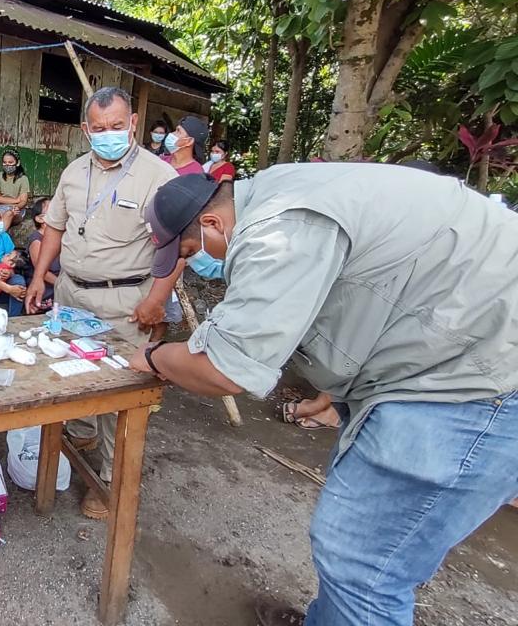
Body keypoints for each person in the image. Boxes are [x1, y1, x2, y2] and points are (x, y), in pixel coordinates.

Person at [137, 166, 518, 626]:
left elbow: (224, 369)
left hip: (472, 384)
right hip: (449, 360)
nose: (198, 261)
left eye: (192, 251)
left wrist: (154, 357)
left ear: (213, 222)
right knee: (352, 554)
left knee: (362, 567)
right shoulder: (280, 188)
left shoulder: (282, 227)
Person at [24, 86, 182, 520]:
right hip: (71, 291)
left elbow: (178, 247)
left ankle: (113, 478)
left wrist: (157, 299)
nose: (108, 133)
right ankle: (81, 430)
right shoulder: (74, 171)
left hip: (125, 300)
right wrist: (39, 277)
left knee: (121, 389)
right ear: (85, 129)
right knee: (70, 369)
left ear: (133, 123)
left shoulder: (159, 176)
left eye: (116, 125)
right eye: (99, 128)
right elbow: (55, 227)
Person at [26, 197, 60, 308]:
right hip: (46, 289)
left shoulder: (61, 235)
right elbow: (41, 270)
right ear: (40, 219)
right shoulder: (36, 240)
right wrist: (62, 285)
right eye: (51, 209)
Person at [0, 148, 30, 231]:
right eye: (4, 162)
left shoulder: (23, 179)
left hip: (17, 209)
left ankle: (0, 234)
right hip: (0, 208)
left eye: (10, 162)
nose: (7, 165)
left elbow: (23, 201)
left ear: (17, 163)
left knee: (9, 214)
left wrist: (16, 206)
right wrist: (16, 200)